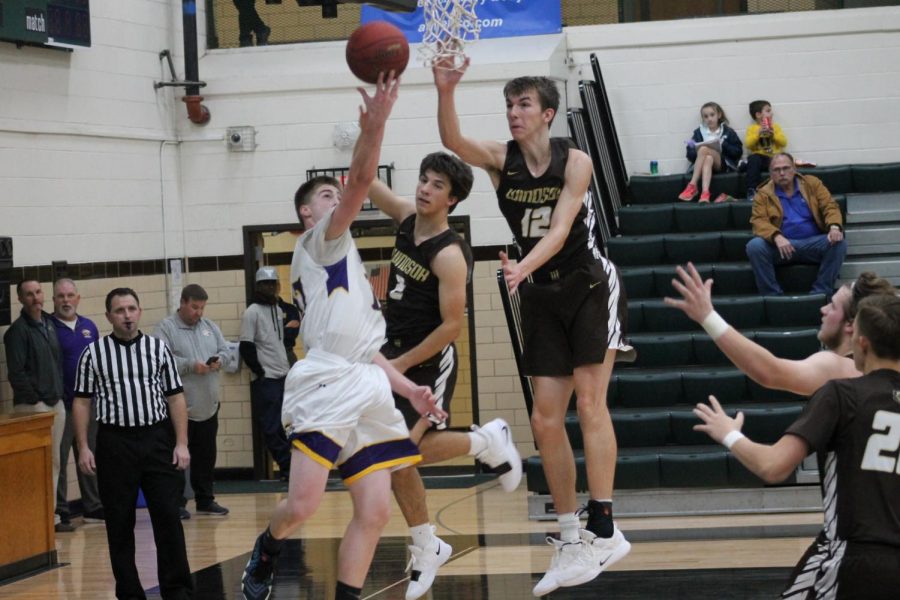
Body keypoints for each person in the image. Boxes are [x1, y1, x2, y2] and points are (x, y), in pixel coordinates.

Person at [241, 73, 447, 600]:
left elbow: (367, 352)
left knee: (376, 511)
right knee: (305, 505)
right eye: (326, 196)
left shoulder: (349, 260)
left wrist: (408, 390)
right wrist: (375, 125)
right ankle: (268, 545)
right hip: (326, 379)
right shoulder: (320, 240)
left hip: (363, 378)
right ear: (308, 214)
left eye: (337, 196)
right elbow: (358, 181)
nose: (340, 200)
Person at [435, 62, 633, 596]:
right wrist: (445, 89)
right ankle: (571, 537)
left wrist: (521, 266)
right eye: (509, 105)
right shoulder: (502, 161)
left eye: (523, 105)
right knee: (545, 419)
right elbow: (452, 139)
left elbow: (565, 224)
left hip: (588, 284)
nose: (513, 114)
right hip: (541, 293)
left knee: (590, 404)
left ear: (547, 113)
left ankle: (606, 525)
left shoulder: (577, 162)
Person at [369, 151, 523, 599]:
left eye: (437, 185)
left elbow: (451, 327)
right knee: (393, 460)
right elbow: (363, 179)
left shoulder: (451, 254)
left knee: (397, 457)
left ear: (452, 200)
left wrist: (400, 365)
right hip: (391, 352)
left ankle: (485, 443)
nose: (424, 189)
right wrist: (367, 136)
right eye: (423, 180)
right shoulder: (404, 219)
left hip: (428, 360)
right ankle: (428, 543)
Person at [692, 293, 900, 599]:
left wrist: (729, 434)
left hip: (851, 555)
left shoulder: (841, 394)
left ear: (863, 343)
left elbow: (772, 466)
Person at [73, 288, 192, 600]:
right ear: (109, 316)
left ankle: (177, 590)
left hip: (156, 439)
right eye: (119, 310)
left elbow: (176, 397)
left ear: (139, 311)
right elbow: (82, 403)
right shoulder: (93, 354)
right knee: (119, 522)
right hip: (115, 443)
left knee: (168, 516)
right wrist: (84, 446)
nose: (126, 315)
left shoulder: (158, 349)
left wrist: (181, 443)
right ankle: (129, 592)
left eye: (131, 308)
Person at [664, 264, 896, 397]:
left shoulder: (836, 367)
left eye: (833, 306)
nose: (823, 309)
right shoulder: (889, 368)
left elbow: (769, 372)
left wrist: (708, 317)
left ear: (851, 325)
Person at [154, 283, 230, 519]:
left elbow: (227, 352)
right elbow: (160, 361)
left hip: (209, 406)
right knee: (176, 458)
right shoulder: (166, 328)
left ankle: (205, 500)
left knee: (206, 456)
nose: (199, 313)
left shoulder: (209, 327)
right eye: (195, 307)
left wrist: (220, 362)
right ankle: (176, 503)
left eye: (202, 308)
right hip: (180, 409)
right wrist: (190, 365)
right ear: (183, 303)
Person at [3, 280, 67, 531]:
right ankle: (39, 517)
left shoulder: (49, 324)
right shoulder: (17, 332)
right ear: (20, 299)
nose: (35, 298)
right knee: (38, 465)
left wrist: (57, 393)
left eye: (38, 292)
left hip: (55, 402)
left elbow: (56, 362)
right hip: (35, 407)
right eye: (28, 294)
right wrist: (37, 399)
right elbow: (16, 373)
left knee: (54, 462)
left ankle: (49, 515)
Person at [745, 152, 846, 297]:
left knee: (839, 243)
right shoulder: (763, 193)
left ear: (794, 169)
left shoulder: (812, 183)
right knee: (754, 246)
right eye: (777, 170)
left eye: (786, 168)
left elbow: (830, 206)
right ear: (771, 174)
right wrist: (777, 236)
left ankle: (821, 292)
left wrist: (834, 226)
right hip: (781, 247)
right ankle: (772, 296)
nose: (782, 173)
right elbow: (758, 221)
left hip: (812, 244)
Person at [49, 278, 103, 529]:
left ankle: (93, 507)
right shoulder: (48, 327)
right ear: (54, 300)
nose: (66, 300)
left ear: (78, 298)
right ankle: (61, 511)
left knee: (89, 455)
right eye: (61, 296)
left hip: (88, 405)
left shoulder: (89, 327)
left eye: (70, 295)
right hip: (60, 406)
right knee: (58, 460)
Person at [240, 266, 292, 477]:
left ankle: (291, 466)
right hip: (267, 378)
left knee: (287, 424)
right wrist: (259, 371)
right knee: (271, 426)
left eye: (273, 284)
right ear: (258, 286)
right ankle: (287, 466)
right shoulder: (251, 312)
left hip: (284, 376)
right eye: (266, 284)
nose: (270, 288)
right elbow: (246, 345)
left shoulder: (278, 310)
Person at [677, 101, 743, 203]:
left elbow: (738, 152)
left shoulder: (728, 132)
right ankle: (705, 193)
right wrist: (695, 149)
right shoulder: (699, 132)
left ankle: (692, 185)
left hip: (723, 165)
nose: (709, 119)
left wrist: (723, 145)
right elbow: (689, 155)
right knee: (708, 157)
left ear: (719, 115)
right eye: (706, 116)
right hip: (705, 163)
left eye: (712, 115)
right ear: (703, 119)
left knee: (704, 149)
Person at [745, 99, 788, 202]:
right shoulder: (752, 129)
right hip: (760, 158)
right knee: (753, 159)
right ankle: (752, 190)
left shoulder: (775, 127)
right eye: (768, 111)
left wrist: (774, 135)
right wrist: (757, 134)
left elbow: (784, 143)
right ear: (758, 114)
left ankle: (782, 190)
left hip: (773, 157)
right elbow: (748, 144)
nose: (771, 113)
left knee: (783, 159)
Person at [278, 291, 301, 366]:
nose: (270, 287)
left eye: (273, 284)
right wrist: (286, 327)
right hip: (266, 355)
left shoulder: (290, 309)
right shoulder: (259, 310)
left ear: (279, 287)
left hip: (287, 352)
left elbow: (292, 333)